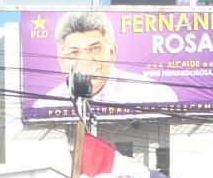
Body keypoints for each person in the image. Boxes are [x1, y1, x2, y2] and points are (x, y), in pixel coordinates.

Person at [43, 10, 178, 107]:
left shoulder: (152, 95)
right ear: (61, 60)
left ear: (112, 51)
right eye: (74, 52)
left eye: (94, 49)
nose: (85, 61)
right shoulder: (47, 104)